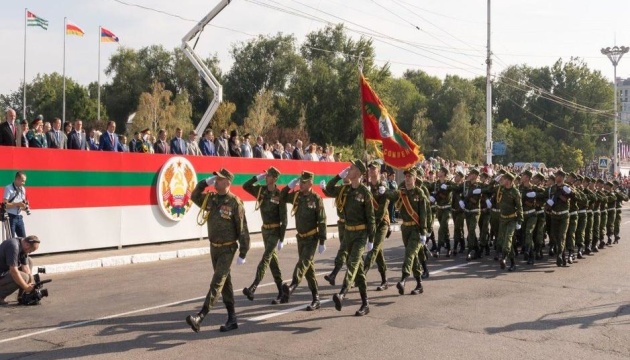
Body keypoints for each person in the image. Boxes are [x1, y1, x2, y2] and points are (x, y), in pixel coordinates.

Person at [185, 168, 250, 333]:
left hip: (228, 248)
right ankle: (232, 318)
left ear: (227, 183)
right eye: (215, 179)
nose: (215, 181)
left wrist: (243, 251)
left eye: (219, 179)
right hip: (214, 247)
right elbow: (193, 196)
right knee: (225, 284)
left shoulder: (235, 202)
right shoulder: (212, 199)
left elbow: (242, 229)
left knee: (217, 282)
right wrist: (204, 183)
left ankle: (200, 316)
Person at [325, 160, 374, 316]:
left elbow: (370, 217)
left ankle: (342, 293)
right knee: (358, 270)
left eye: (351, 168)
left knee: (352, 264)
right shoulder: (345, 190)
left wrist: (371, 239)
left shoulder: (365, 192)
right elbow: (328, 189)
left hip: (360, 234)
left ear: (358, 174)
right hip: (348, 233)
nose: (348, 170)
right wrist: (338, 176)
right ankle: (365, 303)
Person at [280, 171, 327, 311]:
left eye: (304, 182)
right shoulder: (297, 196)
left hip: (312, 238)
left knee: (303, 263)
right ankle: (316, 298)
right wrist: (289, 186)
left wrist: (322, 240)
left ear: (311, 183)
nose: (301, 184)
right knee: (308, 270)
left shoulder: (316, 198)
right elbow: (282, 197)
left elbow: (322, 220)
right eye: (300, 182)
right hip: (300, 237)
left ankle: (292, 286)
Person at [241, 166, 287, 304]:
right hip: (265, 231)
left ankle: (253, 287)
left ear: (274, 178)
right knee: (273, 262)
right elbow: (245, 186)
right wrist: (257, 178)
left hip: (274, 231)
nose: (266, 177)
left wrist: (282, 239)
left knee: (266, 258)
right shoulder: (261, 190)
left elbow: (284, 219)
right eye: (265, 176)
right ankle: (282, 292)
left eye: (268, 176)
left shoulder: (279, 195)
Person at [392, 167, 428, 296]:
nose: (407, 179)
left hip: (416, 229)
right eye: (406, 176)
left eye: (409, 176)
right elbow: (390, 197)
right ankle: (419, 284)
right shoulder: (401, 193)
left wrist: (424, 232)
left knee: (409, 254)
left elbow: (424, 214)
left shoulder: (419, 193)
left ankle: (403, 279)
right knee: (414, 257)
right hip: (405, 228)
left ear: (414, 178)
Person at [363, 160, 396, 292]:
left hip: (381, 223)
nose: (371, 171)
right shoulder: (367, 186)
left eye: (374, 169)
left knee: (374, 249)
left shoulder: (383, 187)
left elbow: (382, 209)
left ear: (379, 171)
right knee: (378, 252)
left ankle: (361, 275)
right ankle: (384, 280)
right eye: (370, 169)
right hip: (371, 223)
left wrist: (373, 224)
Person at [0, 235, 40, 305]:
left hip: (5, 272)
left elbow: (26, 268)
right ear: (27, 244)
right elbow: (13, 271)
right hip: (2, 274)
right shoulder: (13, 246)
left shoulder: (23, 244)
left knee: (29, 261)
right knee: (24, 277)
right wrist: (26, 287)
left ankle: (22, 297)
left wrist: (31, 284)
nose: (30, 252)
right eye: (31, 250)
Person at [496, 172, 523, 271]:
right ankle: (513, 263)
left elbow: (520, 207)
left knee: (508, 238)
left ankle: (504, 258)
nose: (504, 181)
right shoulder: (501, 189)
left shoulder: (515, 192)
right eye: (503, 179)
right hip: (503, 218)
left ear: (510, 181)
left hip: (512, 219)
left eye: (506, 179)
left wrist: (520, 221)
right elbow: (490, 188)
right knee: (505, 241)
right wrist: (497, 179)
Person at [3, 172, 29, 238]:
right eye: (22, 181)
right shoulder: (8, 188)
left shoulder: (23, 189)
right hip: (10, 217)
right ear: (17, 179)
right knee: (11, 240)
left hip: (19, 217)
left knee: (23, 239)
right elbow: (4, 205)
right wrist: (17, 204)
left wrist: (24, 207)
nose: (24, 183)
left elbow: (20, 205)